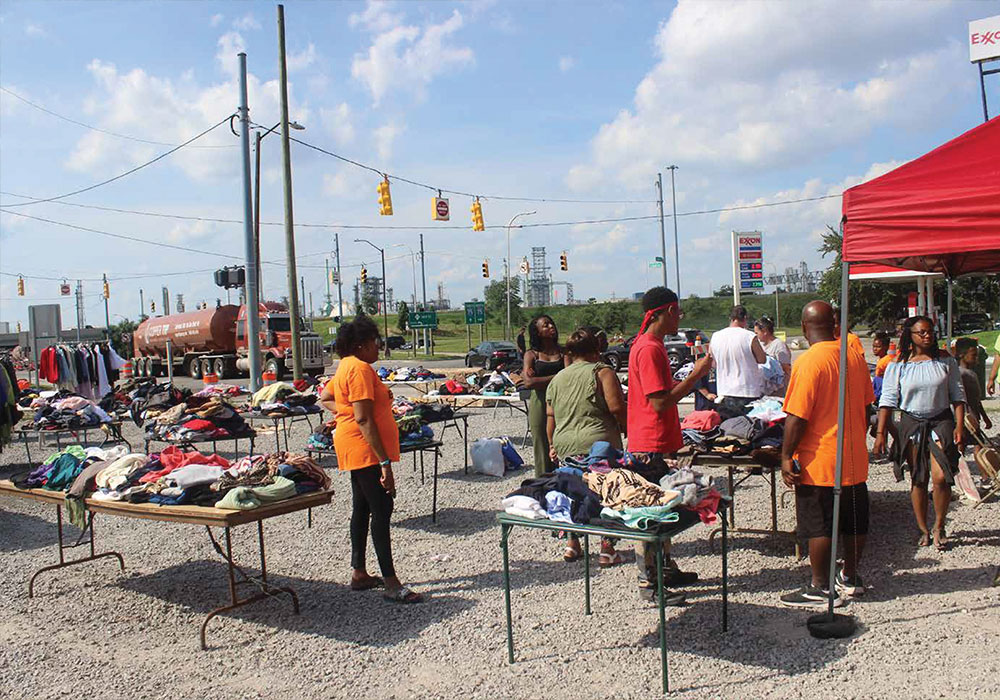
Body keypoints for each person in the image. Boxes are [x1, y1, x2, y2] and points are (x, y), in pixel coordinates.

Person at [319, 316, 421, 604]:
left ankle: (359, 573)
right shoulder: (360, 369)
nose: (378, 346)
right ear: (361, 345)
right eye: (375, 342)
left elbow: (326, 396)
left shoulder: (346, 366)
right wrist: (384, 463)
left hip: (355, 445)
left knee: (362, 507)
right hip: (365, 449)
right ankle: (391, 583)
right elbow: (363, 418)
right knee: (382, 507)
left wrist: (345, 413)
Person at [779, 301, 874, 608]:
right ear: (834, 324)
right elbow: (866, 406)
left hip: (820, 459)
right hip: (853, 457)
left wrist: (786, 456)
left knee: (819, 525)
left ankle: (820, 587)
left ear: (804, 328)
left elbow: (797, 416)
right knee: (854, 521)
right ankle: (850, 577)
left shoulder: (809, 362)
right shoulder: (854, 356)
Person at [628, 287, 714, 605]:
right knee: (650, 514)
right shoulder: (649, 348)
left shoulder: (651, 345)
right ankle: (649, 584)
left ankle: (664, 569)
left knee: (663, 510)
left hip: (654, 441)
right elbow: (660, 402)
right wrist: (695, 376)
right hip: (649, 444)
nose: (680, 318)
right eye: (678, 312)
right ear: (666, 312)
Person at [875, 316, 966, 551]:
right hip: (912, 423)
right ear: (911, 335)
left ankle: (939, 525)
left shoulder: (945, 360)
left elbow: (958, 395)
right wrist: (881, 432)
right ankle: (923, 528)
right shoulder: (899, 364)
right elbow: (887, 400)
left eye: (930, 332)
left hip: (940, 421)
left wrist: (959, 425)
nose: (927, 336)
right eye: (922, 332)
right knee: (919, 478)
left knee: (940, 476)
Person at [546, 327, 627, 566]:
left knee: (572, 492)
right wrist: (627, 427)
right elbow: (616, 407)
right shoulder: (602, 372)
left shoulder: (558, 378)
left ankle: (572, 544)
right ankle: (607, 548)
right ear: (596, 350)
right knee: (607, 493)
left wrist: (552, 444)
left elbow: (550, 417)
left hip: (565, 445)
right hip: (599, 444)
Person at [521, 315, 564, 476]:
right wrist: (559, 376)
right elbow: (528, 383)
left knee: (562, 441)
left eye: (551, 323)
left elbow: (569, 376)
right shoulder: (531, 354)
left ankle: (564, 480)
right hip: (539, 403)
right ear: (537, 332)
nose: (551, 326)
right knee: (541, 445)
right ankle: (542, 481)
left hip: (561, 401)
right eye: (546, 325)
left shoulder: (563, 352)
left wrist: (540, 379)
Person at [710, 305, 766, 412]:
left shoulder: (716, 336)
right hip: (748, 390)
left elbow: (712, 362)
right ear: (745, 318)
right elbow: (762, 359)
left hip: (724, 391)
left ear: (730, 318)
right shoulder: (750, 336)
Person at [955, 337, 992, 433]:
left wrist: (985, 417)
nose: (976, 358)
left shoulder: (972, 374)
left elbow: (977, 400)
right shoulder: (959, 375)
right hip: (965, 419)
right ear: (961, 355)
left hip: (974, 418)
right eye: (973, 355)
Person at [753, 316, 791, 394]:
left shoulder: (779, 346)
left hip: (778, 389)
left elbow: (786, 369)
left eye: (757, 333)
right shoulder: (760, 345)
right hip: (764, 389)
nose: (755, 335)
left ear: (765, 332)